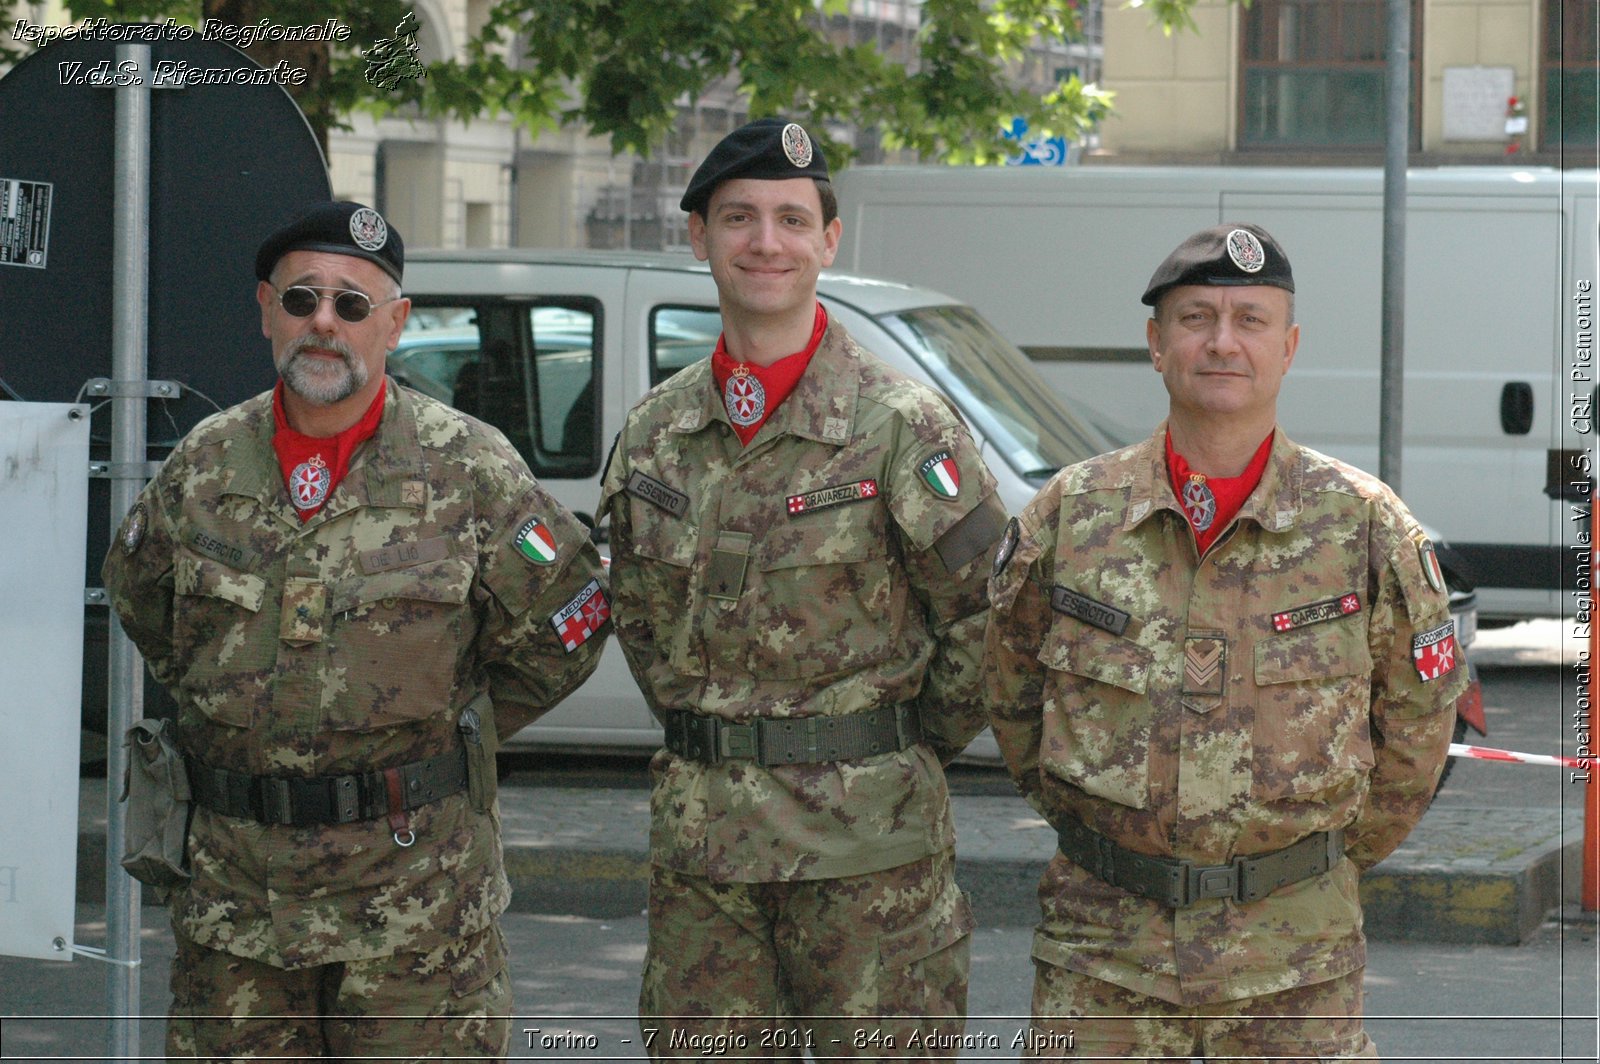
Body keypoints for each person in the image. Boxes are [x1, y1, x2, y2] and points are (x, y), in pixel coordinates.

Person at [103, 201, 609, 1059]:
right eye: (302, 300)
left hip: (416, 911)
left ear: (397, 324)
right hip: (238, 913)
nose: (324, 324)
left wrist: (458, 728)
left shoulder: (470, 468)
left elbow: (572, 621)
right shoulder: (203, 466)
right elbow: (147, 603)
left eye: (353, 304)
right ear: (267, 310)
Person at [983, 223, 1466, 1061]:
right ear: (1156, 344)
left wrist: (1303, 866)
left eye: (1250, 319)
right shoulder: (1072, 516)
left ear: (1289, 346)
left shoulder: (1363, 527)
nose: (1222, 341)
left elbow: (1418, 732)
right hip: (1102, 954)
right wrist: (1109, 834)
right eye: (1196, 317)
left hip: (1294, 964)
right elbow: (1016, 699)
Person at [599, 117, 1008, 1054]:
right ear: (698, 238)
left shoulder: (903, 425)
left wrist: (883, 748)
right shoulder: (658, 432)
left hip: (872, 860)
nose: (765, 242)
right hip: (705, 861)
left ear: (828, 240)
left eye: (791, 219)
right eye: (738, 218)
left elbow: (986, 619)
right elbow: (646, 619)